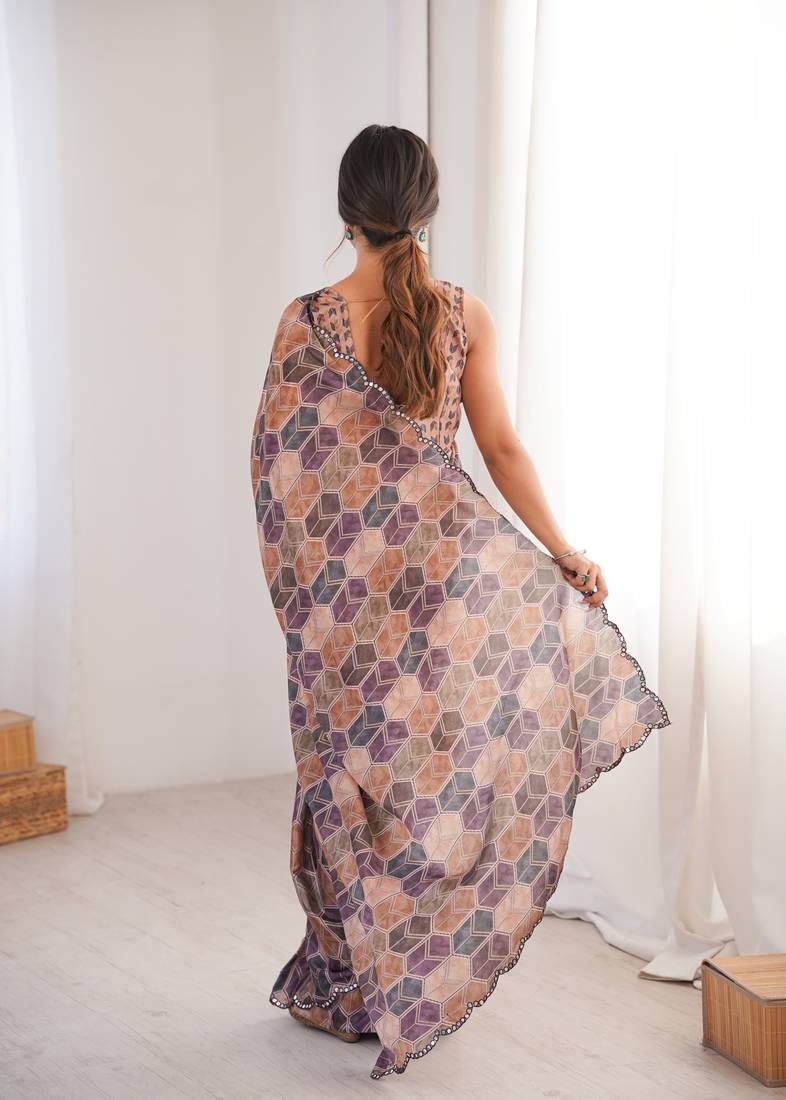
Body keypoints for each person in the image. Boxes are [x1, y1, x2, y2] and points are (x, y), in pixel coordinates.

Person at [250, 123, 670, 1080]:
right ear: (426, 211)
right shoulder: (461, 314)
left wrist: (302, 596)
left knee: (346, 779)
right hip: (443, 594)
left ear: (346, 213)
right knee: (419, 780)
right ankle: (408, 972)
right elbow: (501, 447)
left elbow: (280, 476)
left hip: (345, 608)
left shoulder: (304, 323)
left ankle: (351, 986)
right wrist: (562, 551)